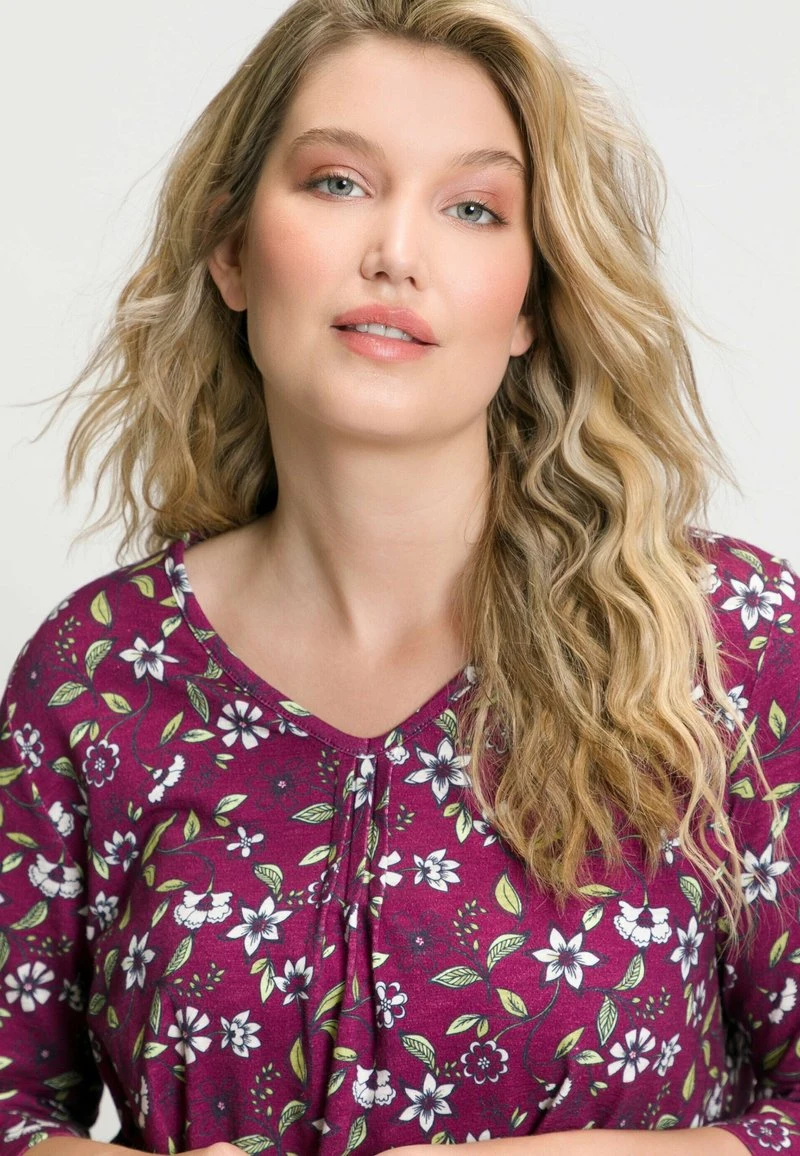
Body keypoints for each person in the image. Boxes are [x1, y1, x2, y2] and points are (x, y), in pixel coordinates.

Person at [1, 0, 798, 1153]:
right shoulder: (98, 671)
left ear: (529, 304)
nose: (396, 252)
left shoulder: (718, 639)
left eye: (472, 208)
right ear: (230, 247)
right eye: (337, 183)